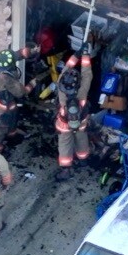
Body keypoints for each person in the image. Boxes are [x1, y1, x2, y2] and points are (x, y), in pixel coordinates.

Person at [0, 45, 40, 152]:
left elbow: (19, 54)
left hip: (9, 103)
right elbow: (21, 93)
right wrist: (32, 84)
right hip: (2, 106)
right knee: (1, 127)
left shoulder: (5, 62)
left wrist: (33, 50)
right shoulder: (6, 78)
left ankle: (12, 134)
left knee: (12, 120)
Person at [55, 46, 94, 181]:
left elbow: (67, 67)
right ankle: (83, 160)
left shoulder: (61, 88)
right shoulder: (82, 90)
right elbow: (87, 74)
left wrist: (76, 54)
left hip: (64, 123)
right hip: (81, 121)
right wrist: (85, 55)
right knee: (81, 138)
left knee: (65, 144)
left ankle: (66, 170)